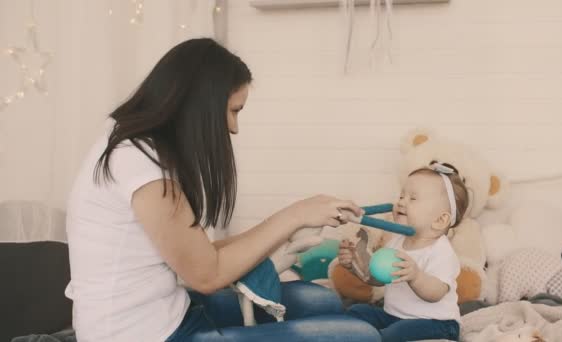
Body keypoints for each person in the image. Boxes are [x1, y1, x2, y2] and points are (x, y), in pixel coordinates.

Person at [64, 38, 381, 342]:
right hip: (145, 335)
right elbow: (207, 276)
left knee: (319, 301)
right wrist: (296, 215)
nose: (234, 127)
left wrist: (296, 220)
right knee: (361, 336)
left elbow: (201, 254)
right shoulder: (139, 165)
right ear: (199, 105)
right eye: (234, 110)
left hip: (171, 313)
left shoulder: (139, 145)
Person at [340, 162, 468, 342]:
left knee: (393, 335)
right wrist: (356, 265)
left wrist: (416, 277)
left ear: (440, 220)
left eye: (412, 198)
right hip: (394, 316)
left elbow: (436, 293)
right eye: (401, 195)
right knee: (357, 312)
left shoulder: (441, 251)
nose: (401, 202)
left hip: (436, 323)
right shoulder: (397, 241)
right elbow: (379, 279)